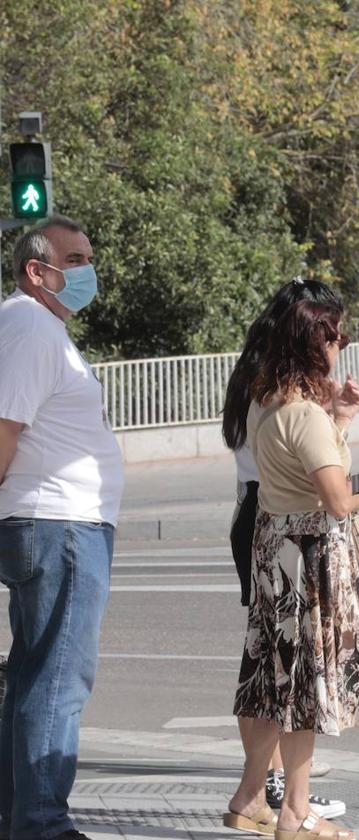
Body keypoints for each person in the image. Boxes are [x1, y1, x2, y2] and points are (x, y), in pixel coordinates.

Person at [227, 299, 359, 840]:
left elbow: (292, 469)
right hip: (310, 561)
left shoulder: (267, 404)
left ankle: (248, 798)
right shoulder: (303, 415)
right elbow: (334, 500)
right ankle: (296, 813)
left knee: (269, 679)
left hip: (275, 554)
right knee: (304, 690)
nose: (341, 349)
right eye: (338, 340)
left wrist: (341, 419)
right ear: (318, 345)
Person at [0, 216, 123, 840]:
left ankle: (19, 815)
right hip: (59, 523)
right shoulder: (29, 324)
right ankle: (42, 824)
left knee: (33, 676)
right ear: (36, 270)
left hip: (57, 522)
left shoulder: (38, 327)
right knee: (57, 680)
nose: (86, 271)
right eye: (75, 259)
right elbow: (5, 427)